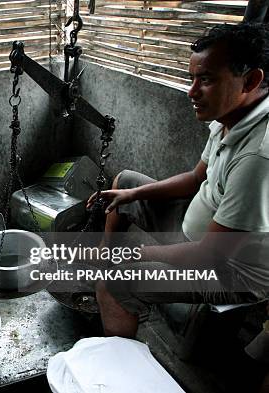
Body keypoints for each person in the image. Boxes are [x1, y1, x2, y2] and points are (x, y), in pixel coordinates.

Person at [88, 22, 269, 339]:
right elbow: (196, 178)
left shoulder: (257, 157)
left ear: (251, 81)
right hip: (198, 231)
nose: (192, 92)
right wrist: (132, 194)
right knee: (123, 184)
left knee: (118, 283)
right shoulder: (231, 117)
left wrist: (138, 254)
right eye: (192, 79)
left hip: (233, 270)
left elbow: (211, 254)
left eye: (207, 80)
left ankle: (113, 368)